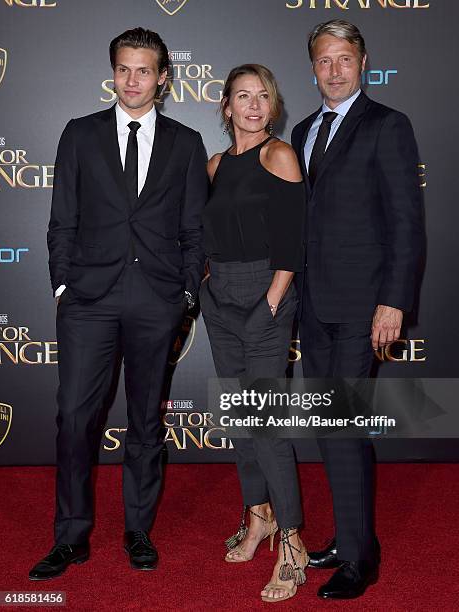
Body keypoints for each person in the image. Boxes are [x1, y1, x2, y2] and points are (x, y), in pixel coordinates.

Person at [29, 28, 207, 580]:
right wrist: (63, 284)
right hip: (88, 301)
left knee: (146, 423)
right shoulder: (79, 135)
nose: (133, 80)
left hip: (156, 300)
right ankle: (71, 536)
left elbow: (194, 229)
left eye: (144, 70)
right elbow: (63, 219)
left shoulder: (185, 141)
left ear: (162, 77)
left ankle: (137, 530)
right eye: (124, 69)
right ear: (113, 74)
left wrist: (184, 293)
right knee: (75, 419)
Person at [291, 20, 423, 599]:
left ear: (363, 61)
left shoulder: (388, 125)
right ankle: (349, 537)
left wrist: (393, 301)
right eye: (325, 60)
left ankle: (359, 558)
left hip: (364, 304)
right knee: (330, 426)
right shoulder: (300, 130)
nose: (335, 69)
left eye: (345, 58)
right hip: (312, 306)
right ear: (313, 67)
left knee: (342, 425)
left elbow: (406, 223)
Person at [200, 64, 308, 603]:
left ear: (273, 105)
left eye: (263, 96)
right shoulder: (216, 164)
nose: (254, 104)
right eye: (243, 96)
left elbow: (292, 243)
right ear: (225, 106)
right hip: (218, 300)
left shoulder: (279, 155)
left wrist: (270, 303)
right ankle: (258, 515)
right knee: (239, 422)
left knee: (266, 424)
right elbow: (204, 239)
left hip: (266, 295)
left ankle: (293, 543)